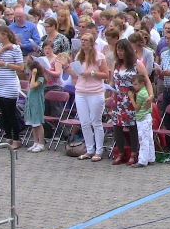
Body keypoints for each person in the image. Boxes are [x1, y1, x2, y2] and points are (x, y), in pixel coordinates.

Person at [64, 33, 108, 161]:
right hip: (81, 91)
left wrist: (92, 73)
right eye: (81, 40)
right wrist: (66, 67)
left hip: (95, 91)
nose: (83, 42)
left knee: (96, 121)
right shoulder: (79, 55)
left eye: (85, 40)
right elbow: (76, 75)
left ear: (91, 43)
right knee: (84, 122)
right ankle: (89, 150)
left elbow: (105, 74)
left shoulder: (99, 56)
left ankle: (99, 150)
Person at [112, 39, 154, 165]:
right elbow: (112, 81)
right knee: (117, 126)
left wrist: (151, 95)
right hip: (118, 98)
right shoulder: (116, 64)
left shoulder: (136, 64)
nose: (119, 53)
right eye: (118, 50)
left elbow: (146, 80)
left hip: (132, 97)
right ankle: (120, 152)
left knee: (132, 125)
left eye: (122, 50)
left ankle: (134, 153)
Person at [0, 26, 24, 149]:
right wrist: (3, 48)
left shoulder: (15, 48)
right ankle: (8, 136)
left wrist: (5, 64)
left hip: (10, 82)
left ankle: (16, 138)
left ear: (5, 34)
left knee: (11, 112)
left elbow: (21, 67)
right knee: (3, 112)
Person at [128, 73, 154, 167]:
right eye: (133, 84)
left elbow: (137, 107)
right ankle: (151, 158)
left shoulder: (140, 94)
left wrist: (131, 98)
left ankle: (142, 161)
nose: (134, 87)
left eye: (136, 84)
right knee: (149, 138)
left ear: (142, 83)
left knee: (143, 139)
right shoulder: (144, 91)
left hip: (142, 118)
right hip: (147, 117)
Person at [24, 59, 46, 152]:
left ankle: (41, 143)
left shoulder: (40, 78)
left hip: (37, 103)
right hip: (31, 102)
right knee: (33, 124)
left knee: (38, 123)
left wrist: (33, 75)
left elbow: (33, 86)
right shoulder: (32, 78)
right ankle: (35, 142)